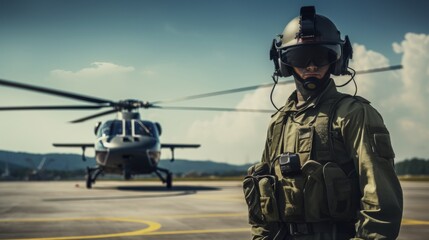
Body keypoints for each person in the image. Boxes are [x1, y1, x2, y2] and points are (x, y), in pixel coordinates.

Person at [243, 6, 403, 240]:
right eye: (299, 57)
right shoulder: (279, 122)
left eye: (321, 56)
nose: (311, 66)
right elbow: (262, 198)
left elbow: (381, 201)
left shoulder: (354, 114)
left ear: (337, 60)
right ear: (284, 64)